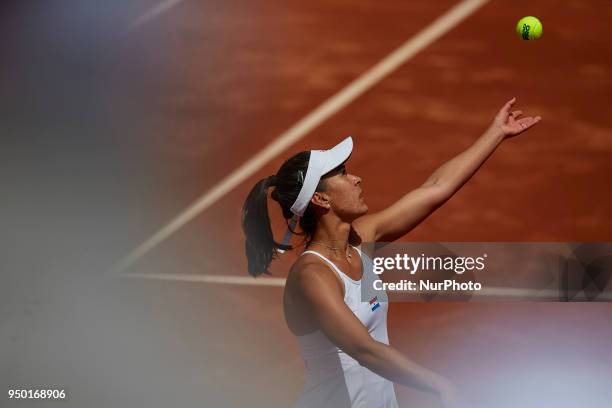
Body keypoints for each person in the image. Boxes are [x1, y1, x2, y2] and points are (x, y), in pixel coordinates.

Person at [242, 98, 541, 407]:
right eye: (342, 173)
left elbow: (435, 188)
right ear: (320, 199)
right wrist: (439, 385)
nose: (356, 178)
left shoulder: (361, 241)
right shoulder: (312, 276)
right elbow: (363, 349)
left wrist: (496, 133)